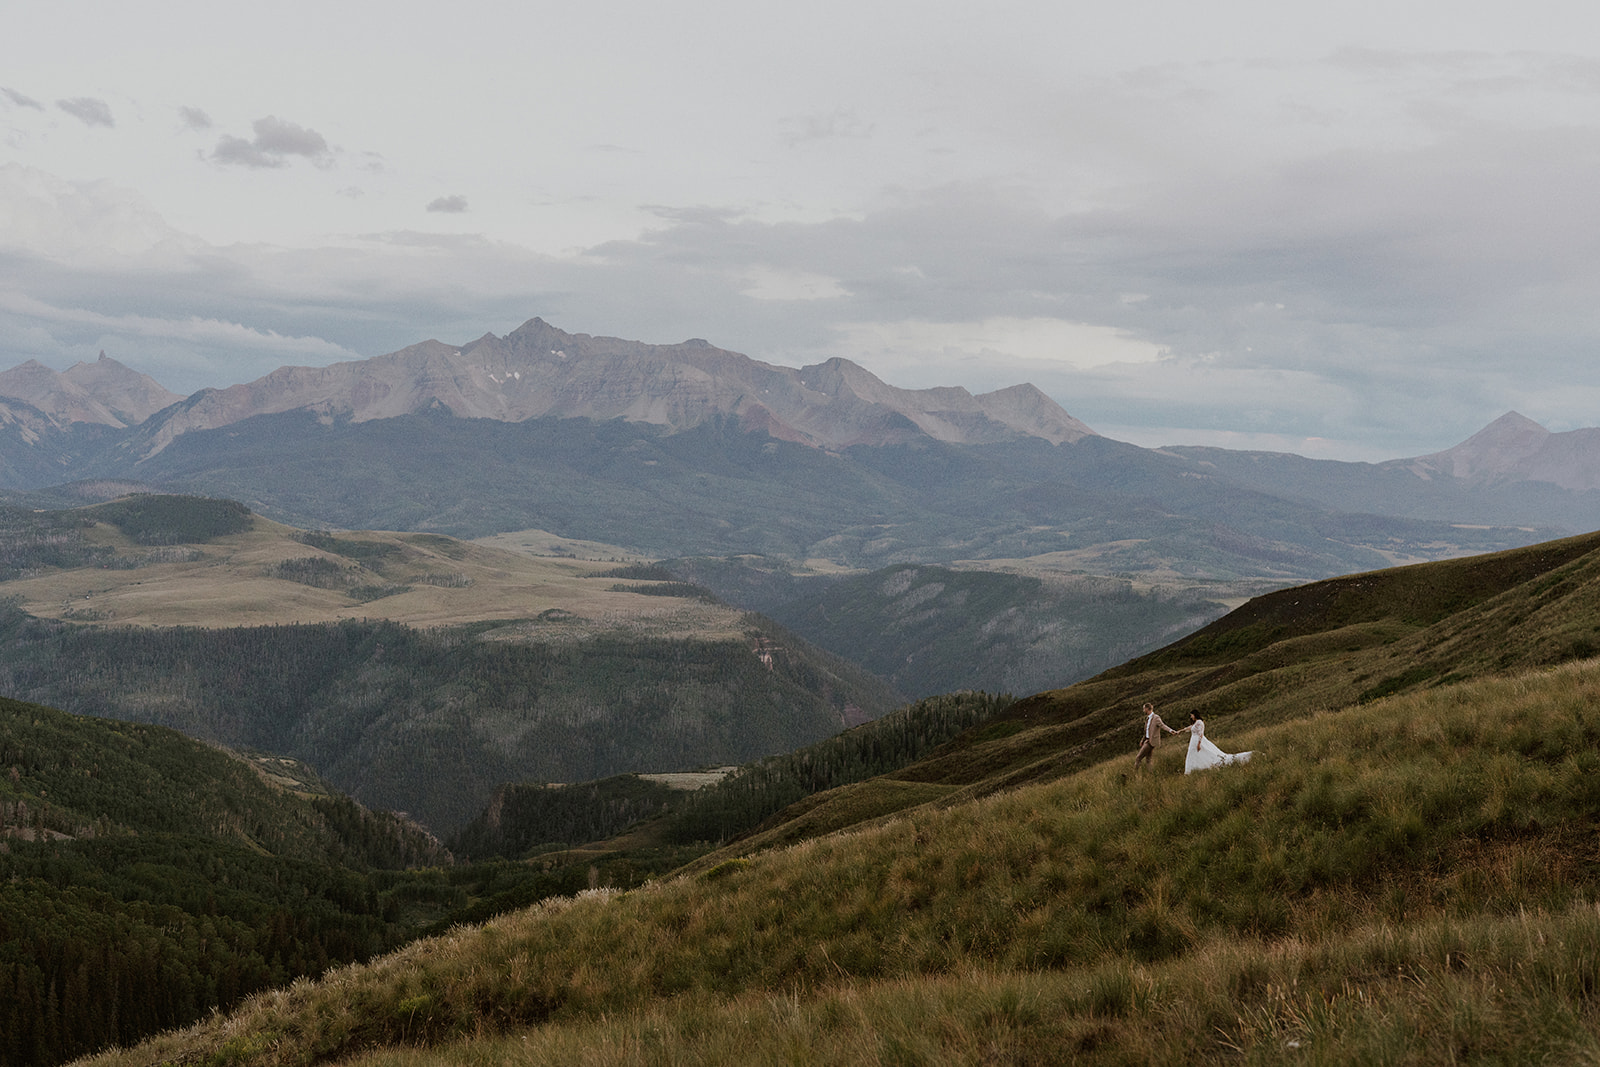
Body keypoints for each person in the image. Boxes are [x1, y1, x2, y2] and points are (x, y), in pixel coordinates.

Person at [1182, 711, 1252, 774]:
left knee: (1204, 753)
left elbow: (1201, 733)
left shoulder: (1199, 722)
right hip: (1193, 741)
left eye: (1191, 715)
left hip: (1197, 740)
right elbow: (1190, 727)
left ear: (1195, 715)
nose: (1191, 717)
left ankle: (1199, 768)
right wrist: (1180, 731)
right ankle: (1192, 769)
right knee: (1193, 754)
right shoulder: (1196, 723)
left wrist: (1199, 743)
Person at [1134, 702, 1178, 769]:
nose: (1143, 710)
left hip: (1151, 742)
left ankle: (1134, 774)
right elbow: (1147, 731)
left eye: (1144, 708)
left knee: (1138, 757)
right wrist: (1142, 740)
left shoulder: (1156, 718)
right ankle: (1151, 774)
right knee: (1148, 760)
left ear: (1147, 708)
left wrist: (1171, 730)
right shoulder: (1148, 718)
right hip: (1147, 740)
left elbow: (1163, 725)